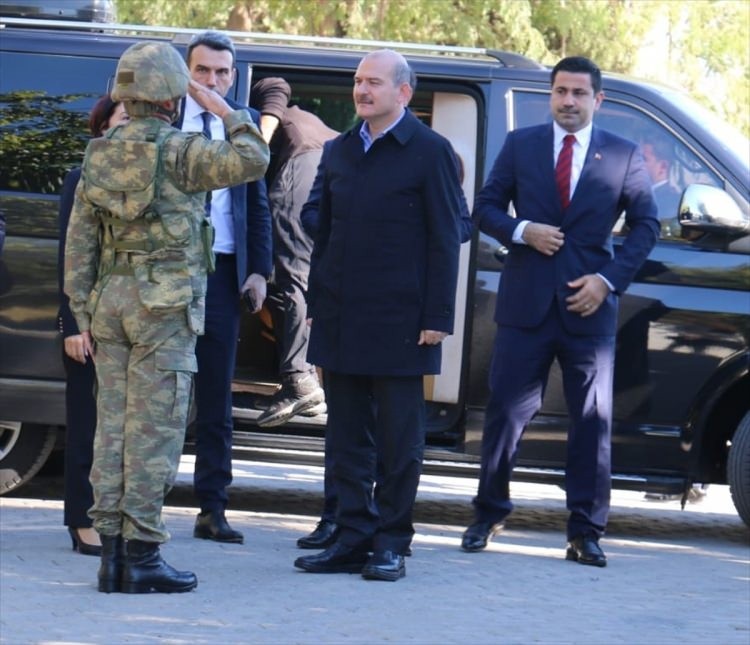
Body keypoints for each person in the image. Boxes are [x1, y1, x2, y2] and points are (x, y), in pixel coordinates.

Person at [64, 41, 269, 593]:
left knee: (113, 429)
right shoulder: (183, 150)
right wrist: (227, 110)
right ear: (173, 95)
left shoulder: (99, 153)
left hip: (111, 306)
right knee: (154, 432)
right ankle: (143, 557)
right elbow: (254, 159)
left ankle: (112, 557)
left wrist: (81, 310)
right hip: (165, 308)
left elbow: (79, 243)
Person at [460, 56, 659, 567]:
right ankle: (488, 513)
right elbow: (484, 208)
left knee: (592, 422)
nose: (568, 101)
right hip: (525, 304)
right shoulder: (521, 144)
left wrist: (609, 281)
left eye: (579, 93)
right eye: (560, 92)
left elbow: (646, 227)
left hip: (589, 311)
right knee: (505, 414)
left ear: (598, 99)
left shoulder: (623, 155)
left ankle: (585, 531)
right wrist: (523, 230)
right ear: (550, 95)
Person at [293, 49, 463, 582]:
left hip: (403, 322)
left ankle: (391, 541)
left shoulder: (430, 152)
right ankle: (351, 537)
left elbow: (446, 237)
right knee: (344, 438)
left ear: (403, 93)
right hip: (341, 315)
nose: (362, 91)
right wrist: (317, 305)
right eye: (358, 81)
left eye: (374, 82)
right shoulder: (340, 150)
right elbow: (323, 236)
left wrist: (437, 315)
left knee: (398, 442)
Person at [175, 31, 273, 545]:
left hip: (222, 272)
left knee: (216, 398)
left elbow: (257, 201)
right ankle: (143, 501)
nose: (212, 82)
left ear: (234, 77)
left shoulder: (245, 124)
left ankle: (212, 507)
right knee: (163, 393)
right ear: (186, 72)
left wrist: (259, 269)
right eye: (202, 71)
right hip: (168, 271)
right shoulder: (165, 119)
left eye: (222, 73)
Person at [57, 94, 129, 557]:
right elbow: (68, 259)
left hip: (128, 326)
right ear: (102, 127)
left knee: (121, 430)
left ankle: (114, 516)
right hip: (88, 323)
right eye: (123, 118)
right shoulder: (81, 178)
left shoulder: (145, 181)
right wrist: (71, 324)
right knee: (88, 424)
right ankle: (80, 519)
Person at [249, 77, 334, 430]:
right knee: (304, 273)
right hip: (322, 163)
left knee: (291, 274)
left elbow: (276, 86)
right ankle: (308, 373)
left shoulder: (262, 94)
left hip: (302, 162)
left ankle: (300, 379)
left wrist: (256, 143)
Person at [641, 139, 682, 237]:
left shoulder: (669, 206)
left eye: (643, 159)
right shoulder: (645, 195)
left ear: (663, 166)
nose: (635, 162)